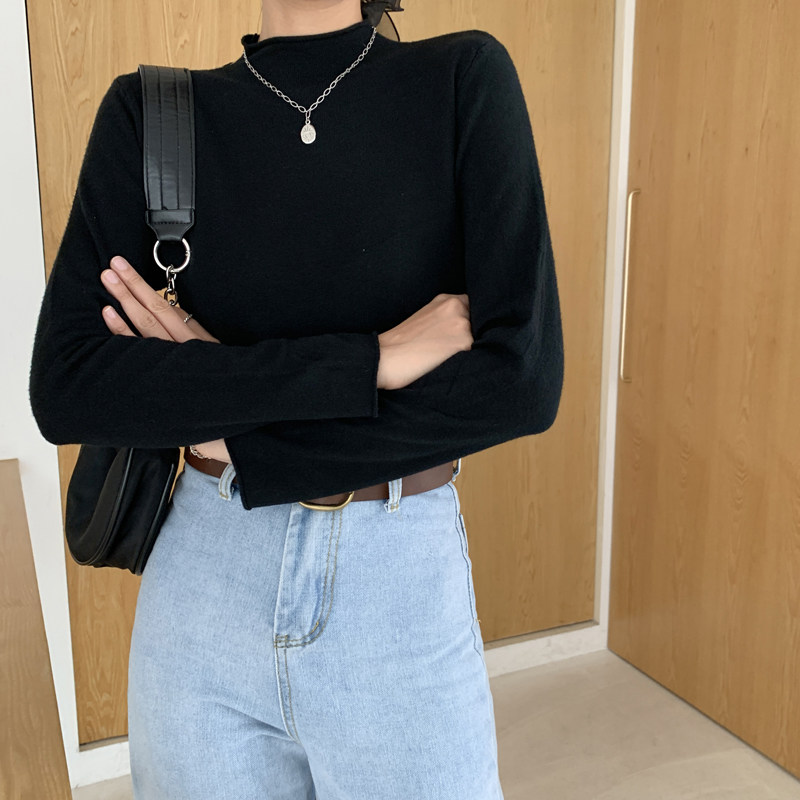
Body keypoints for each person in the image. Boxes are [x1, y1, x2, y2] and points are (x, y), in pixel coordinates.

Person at [28, 0, 564, 796]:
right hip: (203, 589)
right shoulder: (156, 112)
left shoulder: (460, 78)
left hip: (396, 585)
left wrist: (237, 424)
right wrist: (372, 362)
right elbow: (69, 386)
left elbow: (520, 383)